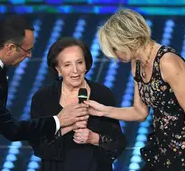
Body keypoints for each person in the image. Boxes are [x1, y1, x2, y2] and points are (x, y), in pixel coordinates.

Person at [84, 9, 185, 171]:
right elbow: (140, 112)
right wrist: (103, 111)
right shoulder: (137, 64)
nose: (115, 56)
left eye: (115, 48)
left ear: (126, 39)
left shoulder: (167, 62)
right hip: (161, 146)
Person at [0, 15, 88, 171]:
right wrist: (58, 120)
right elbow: (12, 130)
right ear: (10, 48)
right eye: (27, 51)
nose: (29, 56)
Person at [29, 37, 126, 171]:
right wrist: (67, 125)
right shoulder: (42, 98)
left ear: (86, 65)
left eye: (79, 62)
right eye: (67, 65)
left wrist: (94, 138)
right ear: (58, 69)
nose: (75, 70)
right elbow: (38, 146)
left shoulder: (102, 94)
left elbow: (118, 142)